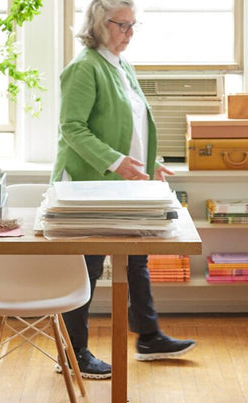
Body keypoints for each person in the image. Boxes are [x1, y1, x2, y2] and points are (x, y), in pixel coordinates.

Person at [52, 0, 195, 380]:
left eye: (134, 25)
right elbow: (72, 128)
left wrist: (152, 163)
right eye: (122, 25)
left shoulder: (122, 66)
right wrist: (116, 161)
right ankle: (73, 352)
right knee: (89, 266)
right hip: (90, 184)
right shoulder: (84, 68)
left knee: (136, 259)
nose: (129, 33)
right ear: (99, 24)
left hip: (124, 185)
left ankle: (148, 336)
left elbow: (134, 127)